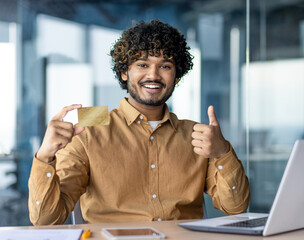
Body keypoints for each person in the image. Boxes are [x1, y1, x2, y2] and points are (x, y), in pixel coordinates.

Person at [28, 19, 250, 225]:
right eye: (142, 65)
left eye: (165, 66)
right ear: (124, 72)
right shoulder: (88, 125)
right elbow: (46, 220)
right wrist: (45, 156)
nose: (153, 75)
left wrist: (223, 152)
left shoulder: (196, 134)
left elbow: (236, 208)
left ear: (177, 77)